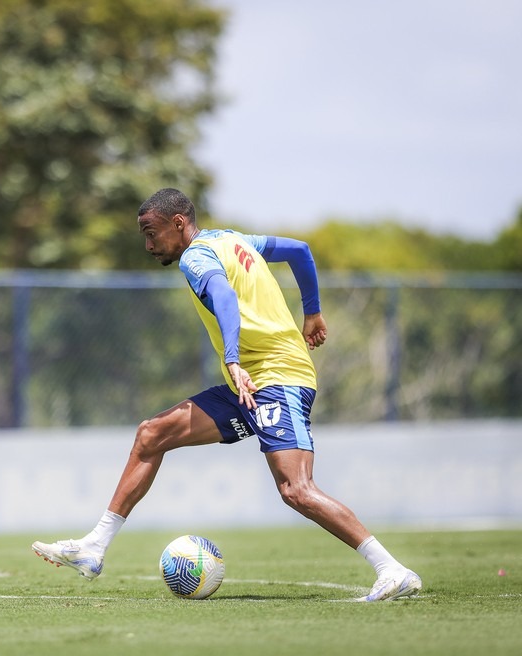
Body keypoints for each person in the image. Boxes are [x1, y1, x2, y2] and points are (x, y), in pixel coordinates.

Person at [31, 188, 422, 602]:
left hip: (276, 378)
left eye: (152, 232)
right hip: (250, 383)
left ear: (179, 223)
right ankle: (95, 547)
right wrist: (312, 311)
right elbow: (299, 250)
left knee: (296, 489)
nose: (148, 245)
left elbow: (224, 297)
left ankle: (391, 569)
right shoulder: (234, 240)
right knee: (152, 434)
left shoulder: (195, 257)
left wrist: (233, 360)